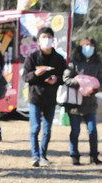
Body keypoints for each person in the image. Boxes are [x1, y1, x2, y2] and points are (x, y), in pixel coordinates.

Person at [23, 27, 67, 167]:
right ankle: (35, 156)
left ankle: (43, 156)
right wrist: (36, 73)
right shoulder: (32, 57)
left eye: (49, 37)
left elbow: (64, 77)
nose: (46, 39)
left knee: (47, 129)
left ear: (53, 39)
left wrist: (56, 79)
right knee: (35, 128)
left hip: (50, 98)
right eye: (43, 37)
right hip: (35, 98)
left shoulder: (59, 59)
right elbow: (25, 77)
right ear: (38, 40)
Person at [63, 37, 102, 165]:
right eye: (86, 45)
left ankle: (94, 156)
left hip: (90, 103)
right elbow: (66, 78)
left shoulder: (98, 64)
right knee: (75, 131)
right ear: (80, 47)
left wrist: (94, 89)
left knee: (92, 130)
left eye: (91, 46)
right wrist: (78, 83)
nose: (88, 48)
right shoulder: (73, 63)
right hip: (75, 104)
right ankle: (74, 156)